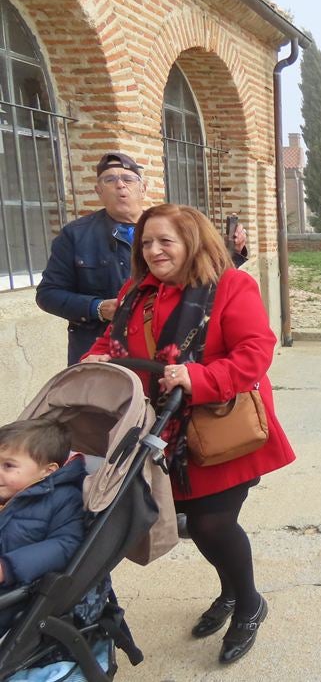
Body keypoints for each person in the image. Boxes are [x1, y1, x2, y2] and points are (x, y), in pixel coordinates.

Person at [82, 204, 294, 664]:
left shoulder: (231, 285)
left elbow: (255, 351)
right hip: (162, 432)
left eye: (165, 241)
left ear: (192, 242)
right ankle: (232, 591)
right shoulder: (138, 292)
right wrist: (95, 360)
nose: (154, 251)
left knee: (210, 523)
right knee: (198, 526)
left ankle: (250, 603)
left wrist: (197, 378)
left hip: (220, 428)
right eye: (146, 243)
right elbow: (112, 339)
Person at [36, 152, 248, 365]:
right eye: (110, 180)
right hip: (100, 350)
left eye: (128, 179)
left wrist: (233, 253)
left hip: (165, 348)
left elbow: (205, 275)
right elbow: (48, 294)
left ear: (143, 189)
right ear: (98, 191)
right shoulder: (75, 236)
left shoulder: (172, 226)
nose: (120, 185)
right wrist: (98, 308)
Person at [0, 418, 85, 632]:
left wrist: (8, 567)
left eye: (8, 466)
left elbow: (66, 544)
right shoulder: (6, 492)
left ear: (47, 471)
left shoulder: (64, 498)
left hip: (16, 592)